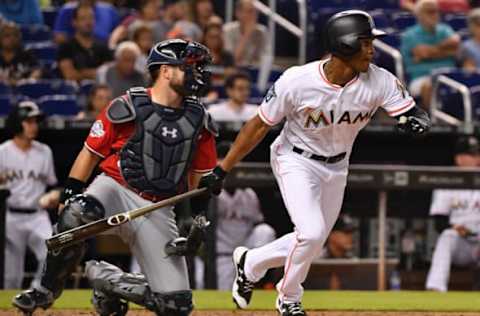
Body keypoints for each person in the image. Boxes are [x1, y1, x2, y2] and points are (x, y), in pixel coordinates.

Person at [199, 10, 431, 316]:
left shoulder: (380, 80)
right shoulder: (297, 81)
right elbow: (257, 125)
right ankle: (289, 297)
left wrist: (416, 122)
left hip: (337, 165)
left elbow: (414, 112)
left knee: (312, 239)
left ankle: (252, 262)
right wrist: (223, 167)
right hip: (295, 158)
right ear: (344, 43)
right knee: (309, 233)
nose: (372, 49)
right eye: (364, 42)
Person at [12, 39, 217, 316]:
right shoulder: (128, 104)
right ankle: (45, 290)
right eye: (191, 66)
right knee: (77, 214)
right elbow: (90, 153)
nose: (199, 73)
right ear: (166, 70)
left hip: (158, 206)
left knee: (176, 306)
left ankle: (107, 280)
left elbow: (199, 179)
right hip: (114, 188)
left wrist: (197, 219)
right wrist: (70, 193)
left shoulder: (199, 119)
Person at [195, 141, 276, 290]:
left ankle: (255, 272)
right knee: (222, 298)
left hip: (245, 253)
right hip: (221, 257)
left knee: (265, 231)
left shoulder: (249, 194)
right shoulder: (209, 193)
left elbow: (257, 224)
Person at [0, 101, 57, 289]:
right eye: (29, 121)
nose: (34, 126)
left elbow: (52, 184)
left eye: (35, 121)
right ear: (17, 123)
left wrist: (53, 196)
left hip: (37, 215)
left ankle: (34, 294)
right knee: (11, 274)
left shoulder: (44, 151)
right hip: (11, 215)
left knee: (51, 252)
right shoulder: (3, 151)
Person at [425, 136, 480, 292]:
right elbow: (439, 222)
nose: (477, 158)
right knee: (447, 237)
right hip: (461, 242)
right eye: (472, 155)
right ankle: (435, 288)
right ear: (459, 159)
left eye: (478, 154)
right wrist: (455, 228)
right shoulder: (447, 181)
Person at [400, 0, 460, 108]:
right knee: (429, 86)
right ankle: (434, 122)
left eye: (436, 12)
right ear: (419, 14)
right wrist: (447, 50)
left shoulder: (445, 29)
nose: (435, 15)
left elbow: (456, 46)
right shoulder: (410, 34)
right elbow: (423, 53)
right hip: (422, 77)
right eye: (430, 12)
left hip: (450, 75)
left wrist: (431, 51)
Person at [57, 4, 112, 81]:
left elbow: (108, 74)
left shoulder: (103, 46)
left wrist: (82, 73)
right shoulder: (66, 47)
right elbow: (70, 76)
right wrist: (96, 72)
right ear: (74, 22)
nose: (88, 22)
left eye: (91, 18)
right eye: (83, 19)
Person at [223, 0, 268, 66]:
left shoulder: (262, 31)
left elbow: (265, 60)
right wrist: (246, 35)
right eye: (249, 11)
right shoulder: (228, 30)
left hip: (255, 71)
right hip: (234, 72)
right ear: (238, 13)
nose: (253, 16)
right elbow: (231, 61)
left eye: (256, 12)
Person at [53, 0, 120, 44]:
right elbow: (59, 37)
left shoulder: (109, 9)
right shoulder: (67, 10)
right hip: (75, 55)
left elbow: (119, 31)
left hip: (104, 52)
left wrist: (112, 42)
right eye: (83, 18)